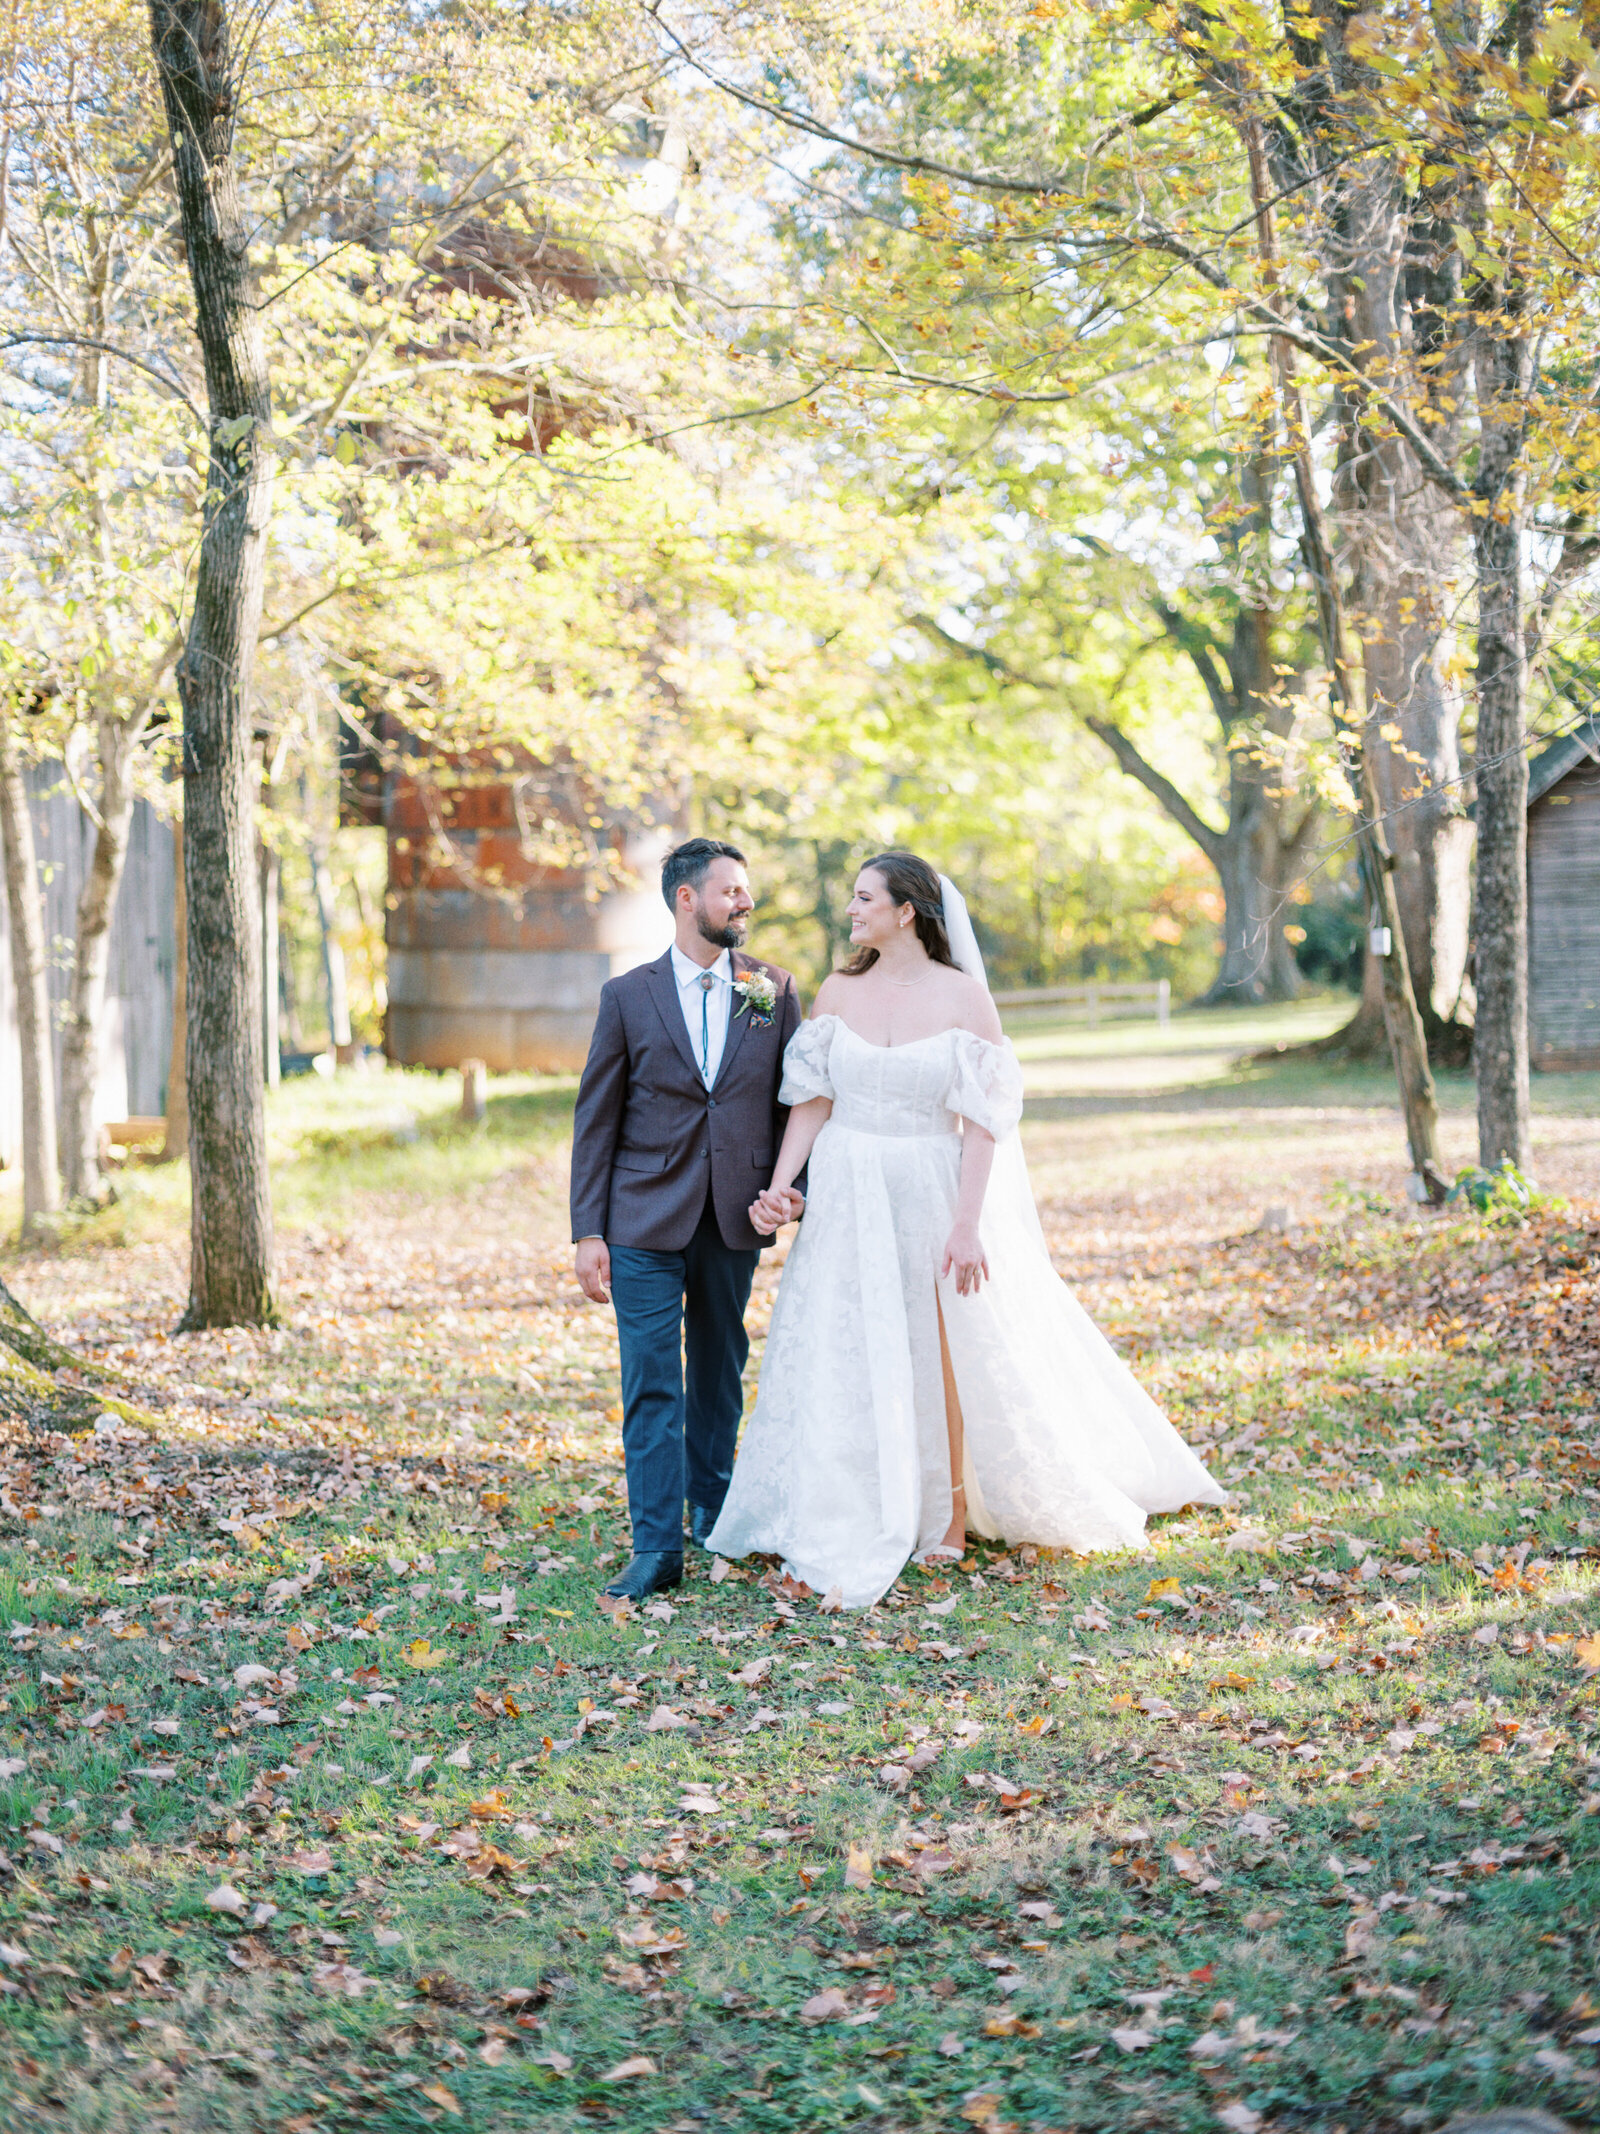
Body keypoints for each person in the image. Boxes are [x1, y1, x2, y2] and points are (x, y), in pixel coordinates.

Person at [706, 850, 1224, 1607]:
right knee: (844, 1335)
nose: (850, 911)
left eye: (863, 898)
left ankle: (947, 1511)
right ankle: (835, 1497)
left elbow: (983, 1122)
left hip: (929, 1182)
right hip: (850, 1185)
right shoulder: (838, 991)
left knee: (941, 1343)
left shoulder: (963, 998)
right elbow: (812, 1100)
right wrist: (781, 1188)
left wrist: (967, 1224)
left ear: (905, 910)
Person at [570, 837, 804, 1602]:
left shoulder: (773, 989)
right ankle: (656, 1546)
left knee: (716, 1371)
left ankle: (713, 1510)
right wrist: (588, 1231)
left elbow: (795, 1107)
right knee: (651, 1381)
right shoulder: (627, 997)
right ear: (686, 899)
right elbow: (595, 1120)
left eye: (745, 891)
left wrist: (793, 1190)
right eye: (731, 890)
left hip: (733, 1216)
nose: (744, 902)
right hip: (641, 1217)